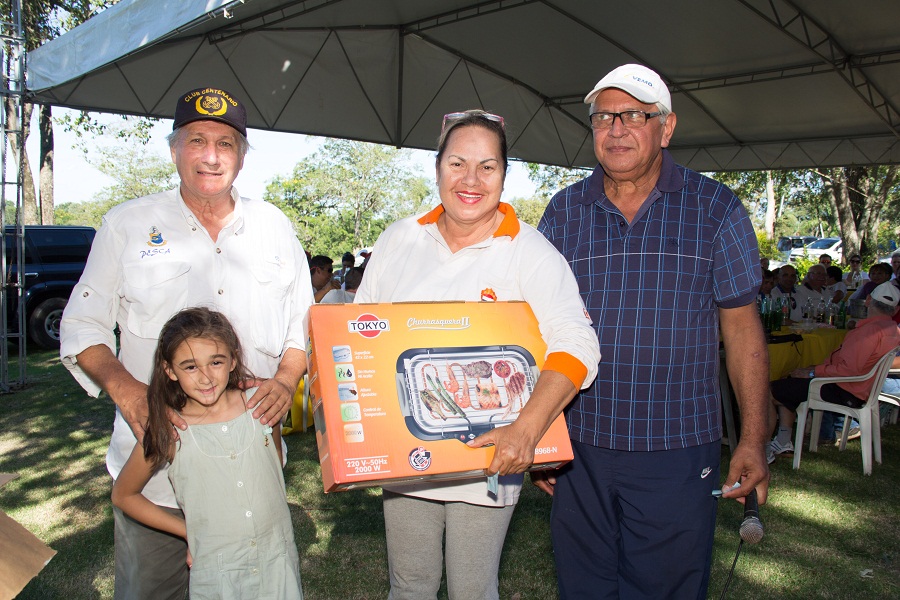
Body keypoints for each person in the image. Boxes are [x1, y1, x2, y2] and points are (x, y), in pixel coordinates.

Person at [60, 87, 313, 599]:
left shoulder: (273, 227)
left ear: (242, 156)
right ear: (174, 150)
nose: (211, 156)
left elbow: (302, 327)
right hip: (158, 477)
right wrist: (129, 392)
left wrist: (287, 379)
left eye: (225, 143)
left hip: (249, 477)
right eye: (196, 140)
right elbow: (84, 325)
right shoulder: (127, 225)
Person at [535, 64, 769, 599]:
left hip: (677, 446)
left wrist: (753, 439)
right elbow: (535, 327)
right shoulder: (564, 211)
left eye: (633, 116)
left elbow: (742, 331)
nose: (616, 129)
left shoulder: (716, 209)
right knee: (582, 586)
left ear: (666, 127)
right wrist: (542, 436)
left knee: (666, 587)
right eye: (603, 118)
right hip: (580, 444)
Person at [355, 109, 601, 600]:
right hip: (408, 453)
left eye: (487, 167)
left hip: (490, 455)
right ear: (437, 167)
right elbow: (362, 334)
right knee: (409, 586)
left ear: (504, 175)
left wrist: (526, 430)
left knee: (472, 590)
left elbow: (578, 343)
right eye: (457, 164)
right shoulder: (400, 238)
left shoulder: (530, 250)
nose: (471, 180)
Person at [111, 308, 303, 599]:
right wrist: (187, 531)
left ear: (233, 360)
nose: (205, 377)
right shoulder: (169, 429)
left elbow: (273, 466)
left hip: (277, 560)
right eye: (190, 367)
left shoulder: (262, 405)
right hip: (217, 572)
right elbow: (124, 495)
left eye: (215, 362)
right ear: (169, 370)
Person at [767, 282, 900, 462]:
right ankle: (783, 441)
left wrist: (813, 373)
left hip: (844, 389)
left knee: (768, 391)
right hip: (860, 389)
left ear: (868, 300)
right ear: (895, 309)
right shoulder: (893, 330)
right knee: (788, 382)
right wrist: (813, 370)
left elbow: (848, 371)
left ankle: (762, 447)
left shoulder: (867, 332)